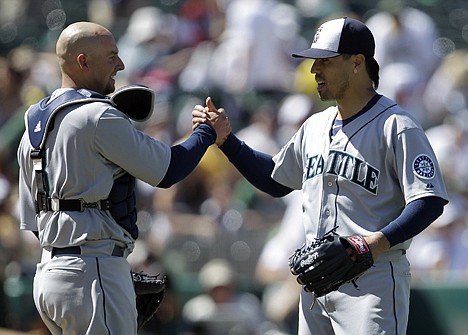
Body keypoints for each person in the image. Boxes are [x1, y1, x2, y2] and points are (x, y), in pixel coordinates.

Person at [193, 17, 449, 335]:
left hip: (372, 283)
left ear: (357, 63)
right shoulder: (315, 126)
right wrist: (227, 141)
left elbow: (429, 199)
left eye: (324, 61)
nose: (314, 70)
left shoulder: (396, 125)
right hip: (318, 282)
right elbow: (274, 179)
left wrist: (373, 244)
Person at [16, 22, 230, 335]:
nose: (121, 64)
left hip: (49, 276)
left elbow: (34, 223)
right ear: (83, 61)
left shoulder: (32, 128)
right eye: (112, 56)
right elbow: (168, 170)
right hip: (91, 271)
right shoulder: (97, 115)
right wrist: (207, 132)